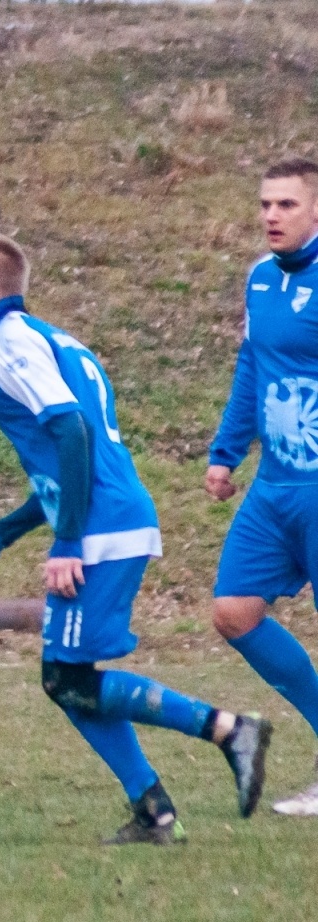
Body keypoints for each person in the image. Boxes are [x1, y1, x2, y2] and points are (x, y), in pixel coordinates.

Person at [0, 233, 270, 845]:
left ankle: (228, 731)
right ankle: (155, 810)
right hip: (111, 517)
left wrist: (68, 543)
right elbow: (64, 466)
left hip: (101, 528)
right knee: (68, 680)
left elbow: (72, 434)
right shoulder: (50, 340)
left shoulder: (7, 342)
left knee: (67, 680)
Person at [204, 159, 318, 816]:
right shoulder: (261, 279)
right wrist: (226, 452)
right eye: (265, 204)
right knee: (234, 612)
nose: (272, 215)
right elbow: (251, 367)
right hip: (274, 487)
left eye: (287, 204)